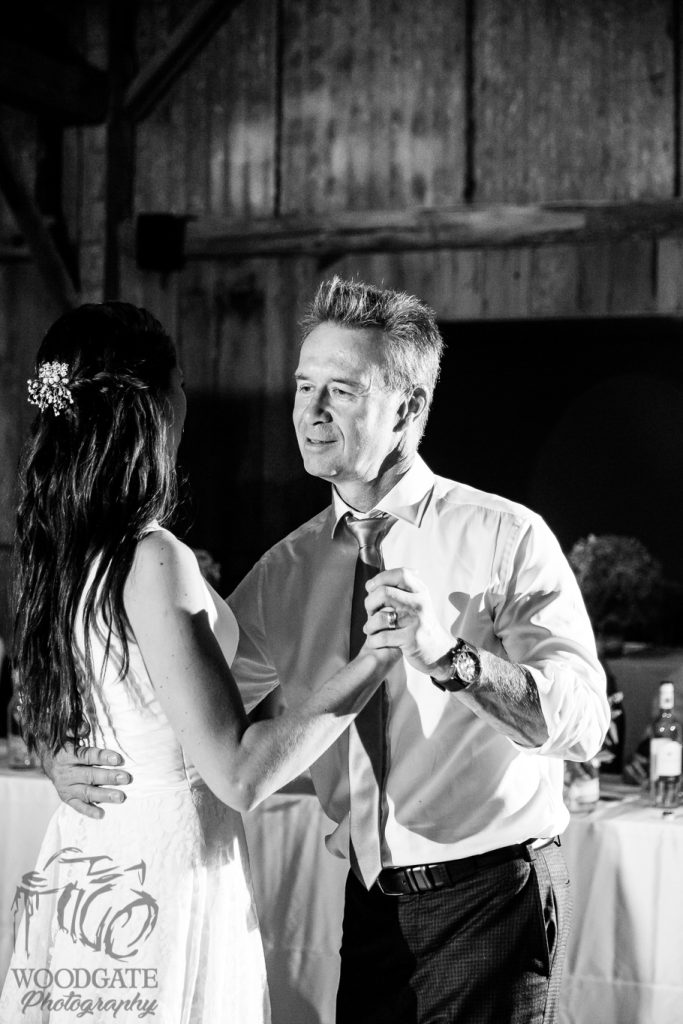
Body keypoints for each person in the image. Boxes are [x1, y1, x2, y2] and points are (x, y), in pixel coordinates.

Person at [45, 279, 610, 1024]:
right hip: (367, 902)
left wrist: (453, 660)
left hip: (490, 896)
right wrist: (69, 750)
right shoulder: (284, 572)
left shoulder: (505, 536)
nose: (308, 415)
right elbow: (179, 710)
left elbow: (582, 723)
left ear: (407, 408)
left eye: (338, 392)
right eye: (303, 387)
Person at [0, 301, 398, 1024]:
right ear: (152, 404)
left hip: (97, 845)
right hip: (162, 860)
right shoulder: (152, 558)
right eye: (179, 379)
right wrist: (375, 659)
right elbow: (239, 774)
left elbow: (73, 692)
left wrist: (56, 749)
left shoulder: (60, 552)